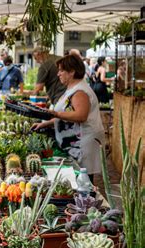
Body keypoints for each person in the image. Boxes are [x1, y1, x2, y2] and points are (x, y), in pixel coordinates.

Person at [32, 54, 105, 184]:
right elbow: (68, 114)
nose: (58, 74)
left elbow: (80, 116)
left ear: (72, 72)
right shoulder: (72, 89)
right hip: (75, 143)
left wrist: (55, 114)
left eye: (61, 70)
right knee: (79, 182)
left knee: (84, 183)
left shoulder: (80, 91)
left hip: (82, 144)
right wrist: (46, 124)